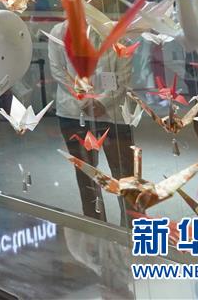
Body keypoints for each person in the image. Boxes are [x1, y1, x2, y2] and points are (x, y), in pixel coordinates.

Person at [48, 19, 137, 225]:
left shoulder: (117, 31)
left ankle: (131, 227)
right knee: (86, 175)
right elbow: (58, 70)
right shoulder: (59, 31)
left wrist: (103, 102)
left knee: (124, 173)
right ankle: (95, 226)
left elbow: (123, 75)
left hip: (113, 114)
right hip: (73, 113)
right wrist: (84, 100)